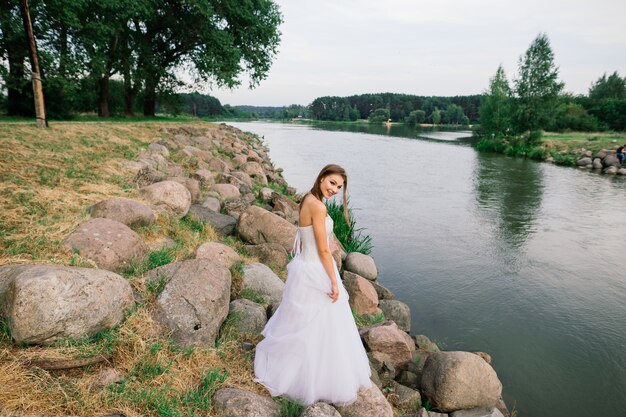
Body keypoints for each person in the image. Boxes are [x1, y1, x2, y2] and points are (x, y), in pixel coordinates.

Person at [254, 164, 372, 406]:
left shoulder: (309, 198)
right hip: (315, 270)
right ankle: (313, 379)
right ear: (321, 179)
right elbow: (323, 250)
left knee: (307, 324)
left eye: (339, 187)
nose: (335, 189)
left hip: (305, 267)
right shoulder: (317, 206)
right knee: (318, 324)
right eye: (332, 183)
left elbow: (304, 238)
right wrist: (333, 280)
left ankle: (308, 370)